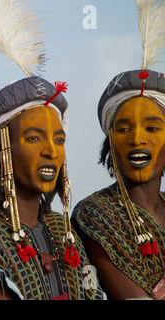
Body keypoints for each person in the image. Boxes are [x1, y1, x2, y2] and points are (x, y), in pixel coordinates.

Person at [0, 76, 106, 300]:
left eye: (59, 140)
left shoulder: (64, 228)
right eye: (33, 138)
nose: (51, 151)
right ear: (2, 150)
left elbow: (92, 292)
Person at [72, 69, 165, 299]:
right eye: (124, 129)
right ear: (111, 142)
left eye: (152, 128)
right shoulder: (95, 214)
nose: (137, 139)